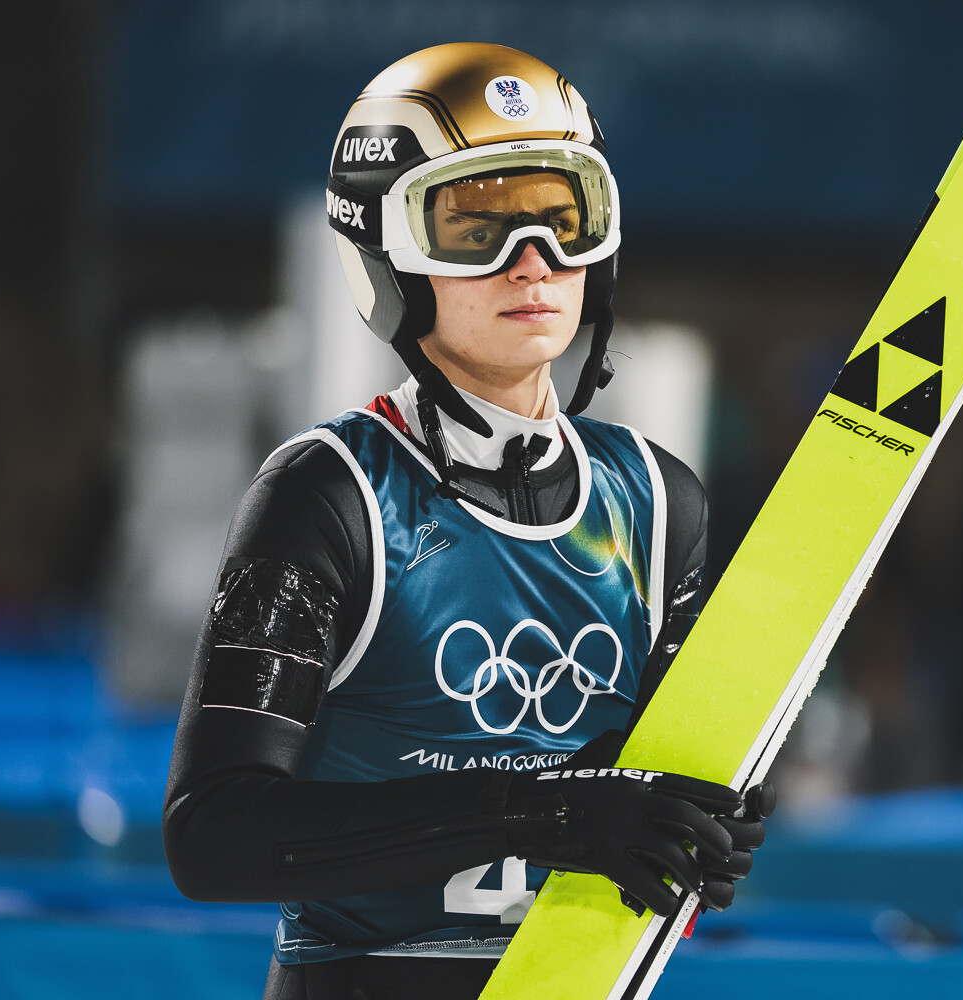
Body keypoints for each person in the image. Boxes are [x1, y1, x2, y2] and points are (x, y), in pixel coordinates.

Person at [162, 43, 771, 1000]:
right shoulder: (330, 495)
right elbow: (212, 833)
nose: (533, 262)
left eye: (562, 217)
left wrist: (697, 830)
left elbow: (658, 803)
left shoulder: (659, 505)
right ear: (387, 251)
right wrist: (539, 814)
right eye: (475, 225)